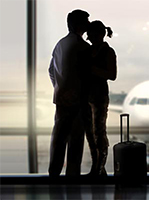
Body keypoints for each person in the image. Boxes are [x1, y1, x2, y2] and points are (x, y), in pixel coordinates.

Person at [48, 9, 90, 177]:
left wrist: (59, 87)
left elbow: (51, 70)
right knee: (76, 141)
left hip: (61, 99)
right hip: (78, 100)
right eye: (86, 21)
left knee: (58, 139)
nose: (88, 24)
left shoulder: (60, 44)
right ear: (79, 24)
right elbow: (87, 76)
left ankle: (54, 174)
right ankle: (72, 177)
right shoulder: (83, 47)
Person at [85, 20, 117, 176]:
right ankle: (97, 166)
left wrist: (92, 69)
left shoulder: (108, 52)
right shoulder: (92, 51)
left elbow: (112, 75)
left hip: (98, 97)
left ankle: (98, 167)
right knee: (91, 133)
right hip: (89, 96)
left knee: (98, 132)